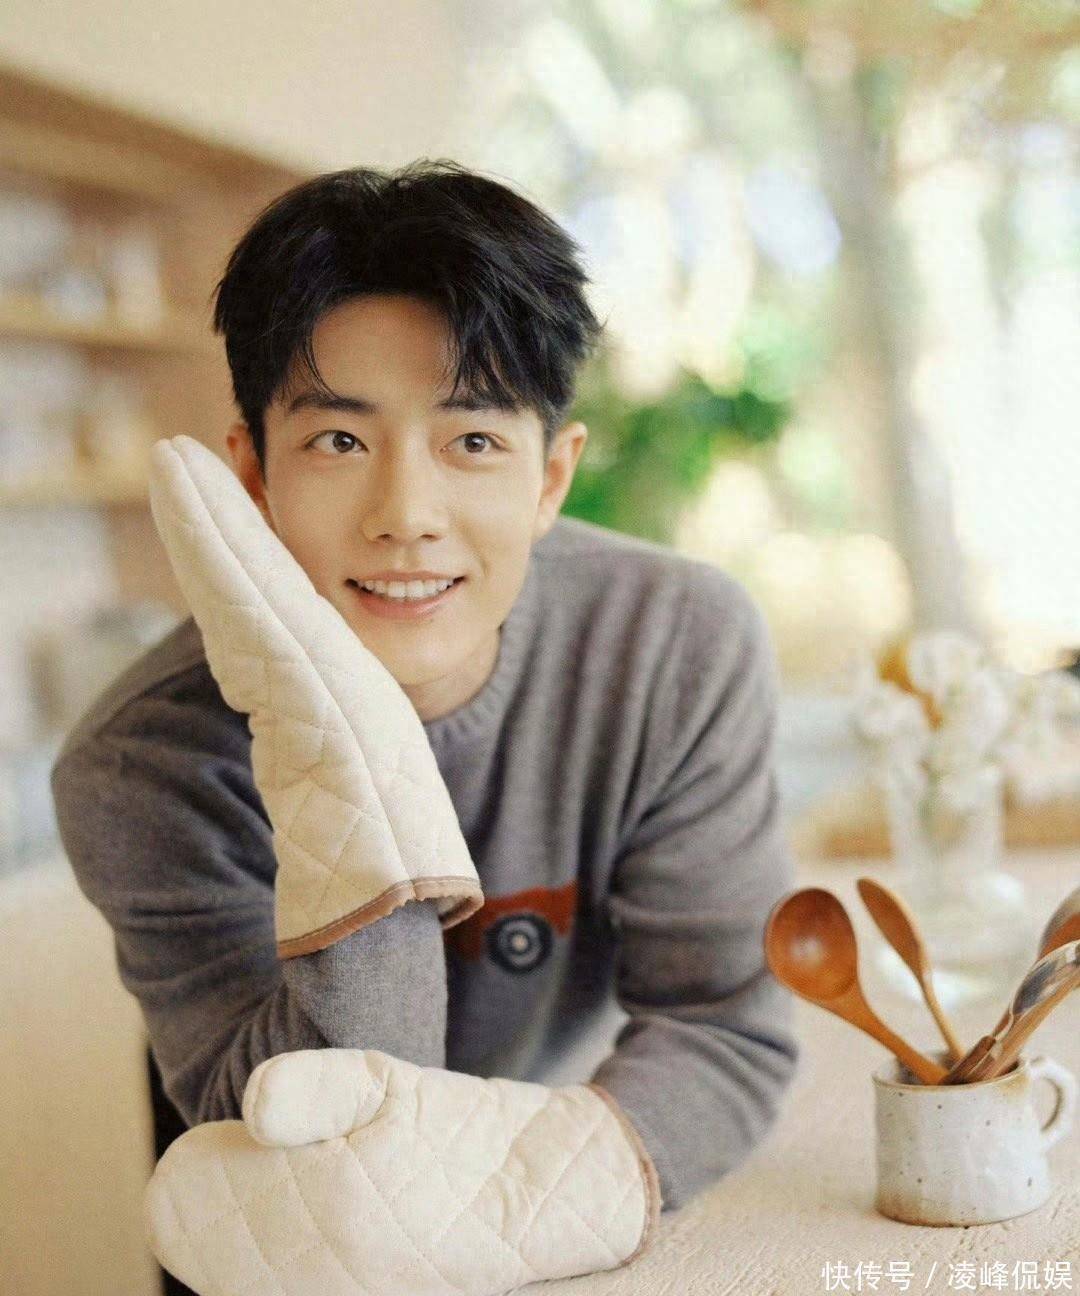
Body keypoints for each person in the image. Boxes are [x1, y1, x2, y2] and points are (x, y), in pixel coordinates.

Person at [50, 160, 799, 1257]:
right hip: (275, 1199)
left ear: (551, 478)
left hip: (554, 1162)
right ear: (253, 480)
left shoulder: (673, 645)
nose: (406, 514)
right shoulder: (141, 764)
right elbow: (315, 1157)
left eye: (474, 441)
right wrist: (335, 741)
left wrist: (533, 1197)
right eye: (340, 442)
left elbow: (723, 1025)